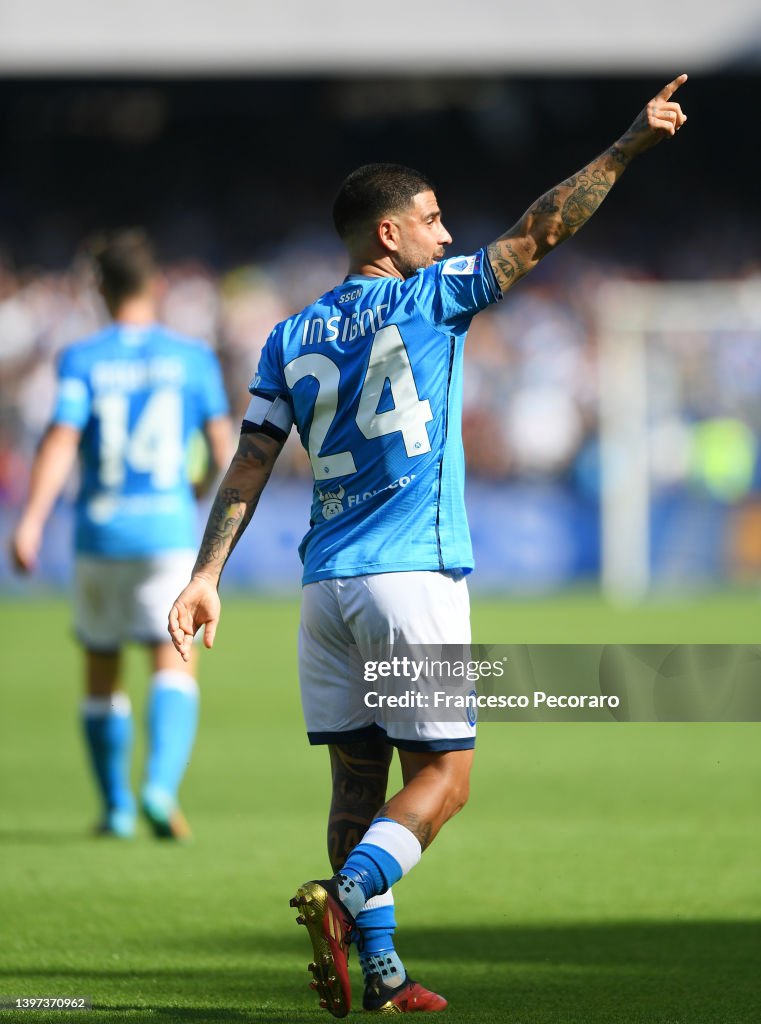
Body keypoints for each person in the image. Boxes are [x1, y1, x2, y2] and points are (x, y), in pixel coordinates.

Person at [168, 76, 688, 1014]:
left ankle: (383, 971)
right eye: (434, 219)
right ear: (388, 235)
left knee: (357, 786)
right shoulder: (433, 298)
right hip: (413, 578)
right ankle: (344, 898)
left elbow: (250, 463)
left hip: (325, 589)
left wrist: (205, 575)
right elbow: (540, 230)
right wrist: (624, 148)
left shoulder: (286, 337)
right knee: (445, 781)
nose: (448, 236)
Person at [11, 229, 232, 841]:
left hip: (99, 533)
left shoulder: (82, 359)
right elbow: (222, 447)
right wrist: (198, 488)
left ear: (100, 290)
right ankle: (160, 788)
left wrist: (29, 521)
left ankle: (114, 808)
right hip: (165, 532)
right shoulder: (192, 357)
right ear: (155, 285)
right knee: (174, 660)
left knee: (102, 666)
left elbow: (60, 439)